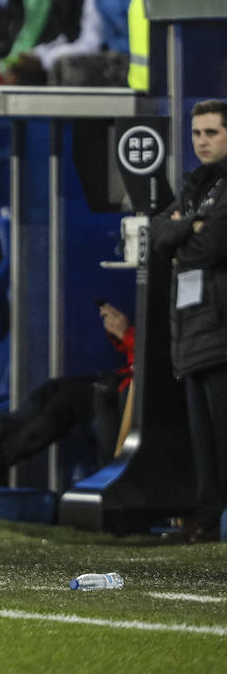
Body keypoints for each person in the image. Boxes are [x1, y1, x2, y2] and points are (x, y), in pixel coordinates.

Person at [0, 303, 133, 476]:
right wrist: (120, 334)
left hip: (134, 392)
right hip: (126, 381)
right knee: (52, 388)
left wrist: (126, 334)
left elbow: (147, 357)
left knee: (67, 400)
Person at [149, 99, 227, 543]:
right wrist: (189, 226)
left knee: (223, 433)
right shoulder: (197, 186)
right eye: (196, 133)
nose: (202, 141)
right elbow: (159, 236)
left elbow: (210, 247)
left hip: (220, 326)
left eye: (211, 132)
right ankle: (208, 517)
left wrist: (187, 232)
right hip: (194, 327)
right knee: (203, 436)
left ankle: (217, 518)